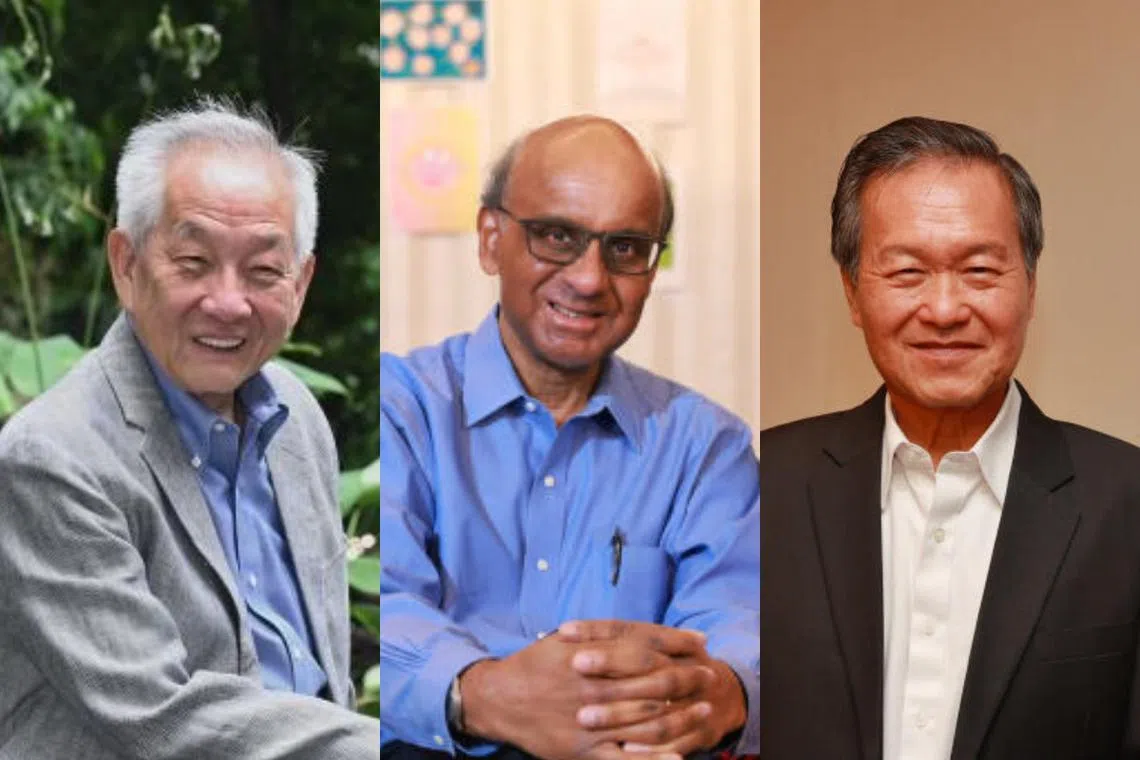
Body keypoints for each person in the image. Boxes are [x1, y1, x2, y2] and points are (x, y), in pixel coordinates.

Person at [0, 99, 379, 758]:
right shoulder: (51, 457)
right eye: (195, 263)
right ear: (125, 263)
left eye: (263, 271)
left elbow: (323, 672)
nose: (228, 303)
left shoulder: (297, 417)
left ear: (301, 282)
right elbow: (161, 716)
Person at [760, 116, 1140, 759]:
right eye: (907, 272)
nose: (943, 310)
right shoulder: (761, 486)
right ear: (853, 292)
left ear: (1030, 287)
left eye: (980, 271)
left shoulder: (1126, 503)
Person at [380, 115, 759, 758]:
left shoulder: (706, 446)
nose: (588, 279)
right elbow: (375, 607)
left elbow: (735, 627)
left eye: (626, 247)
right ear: (490, 239)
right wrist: (490, 694)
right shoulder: (399, 409)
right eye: (557, 236)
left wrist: (709, 692)